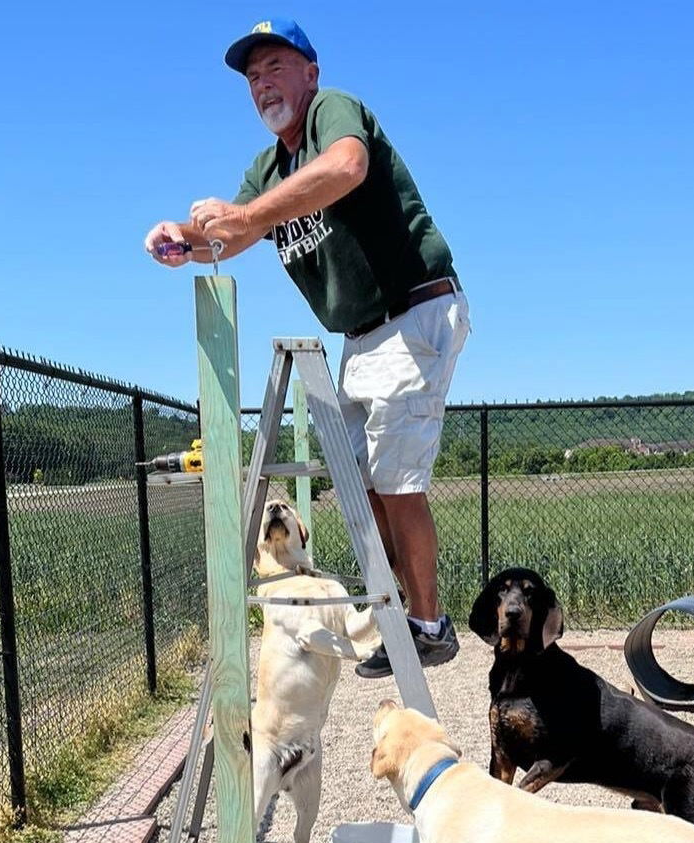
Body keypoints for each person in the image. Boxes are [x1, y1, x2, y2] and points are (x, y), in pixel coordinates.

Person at [145, 18, 470, 677]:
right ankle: (401, 615)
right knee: (363, 489)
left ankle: (429, 624)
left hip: (413, 311)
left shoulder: (333, 110)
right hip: (360, 334)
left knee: (396, 483)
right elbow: (229, 235)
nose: (264, 84)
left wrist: (252, 217)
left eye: (276, 67)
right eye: (252, 77)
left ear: (310, 72)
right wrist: (180, 236)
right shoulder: (269, 167)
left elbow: (347, 167)